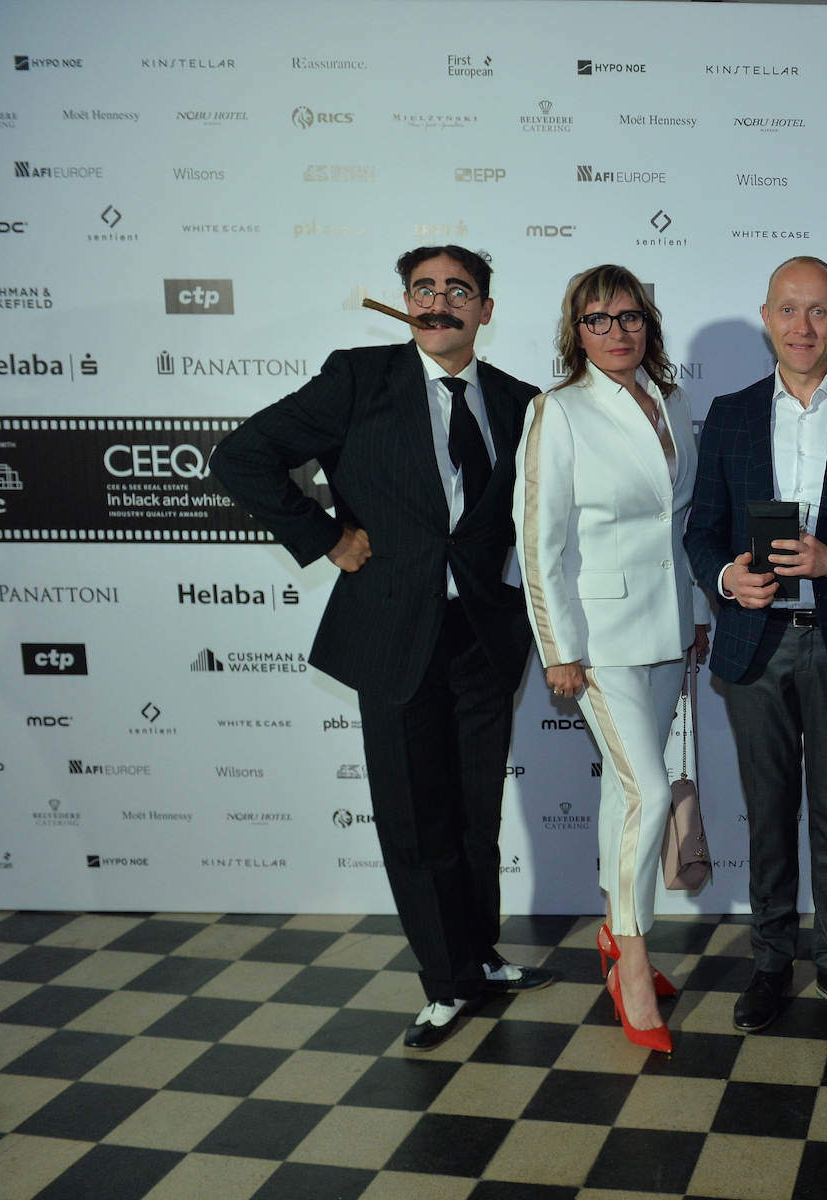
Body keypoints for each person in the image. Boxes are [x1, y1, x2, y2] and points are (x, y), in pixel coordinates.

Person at [211, 246, 556, 1050]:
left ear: (485, 310)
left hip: (483, 638)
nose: (438, 302)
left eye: (457, 291)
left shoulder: (520, 401)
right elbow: (241, 456)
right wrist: (326, 536)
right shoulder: (359, 378)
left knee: (474, 816)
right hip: (394, 634)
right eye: (423, 288)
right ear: (405, 302)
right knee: (414, 819)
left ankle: (479, 955)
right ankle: (446, 981)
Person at [685, 256, 827, 1034]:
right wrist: (726, 579)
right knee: (769, 813)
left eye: (818, 311)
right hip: (758, 642)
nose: (803, 326)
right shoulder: (731, 414)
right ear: (767, 317)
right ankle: (771, 962)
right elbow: (701, 530)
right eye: (788, 309)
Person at [516, 264, 709, 1053]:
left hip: (668, 628)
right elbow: (539, 541)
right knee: (648, 793)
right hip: (598, 641)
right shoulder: (557, 411)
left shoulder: (672, 400)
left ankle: (612, 927)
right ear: (577, 332)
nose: (616, 331)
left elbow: (685, 522)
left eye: (629, 316)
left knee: (624, 796)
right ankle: (631, 961)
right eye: (597, 319)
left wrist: (697, 612)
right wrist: (558, 648)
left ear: (647, 326)